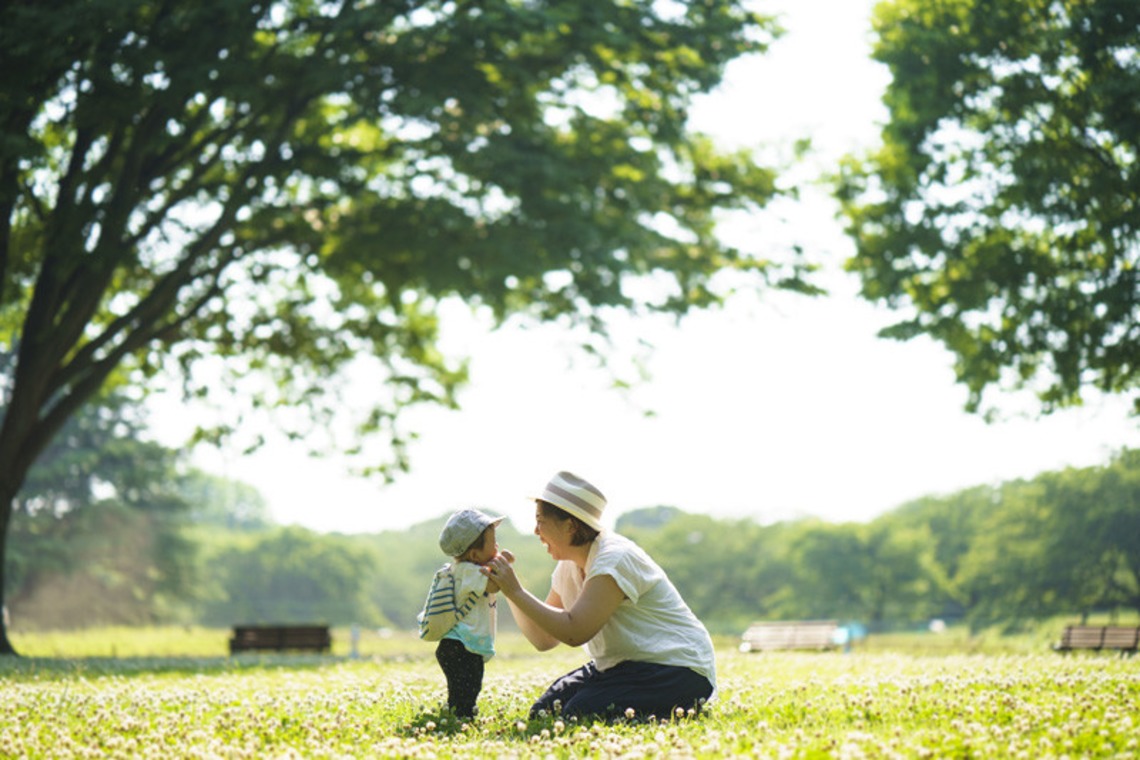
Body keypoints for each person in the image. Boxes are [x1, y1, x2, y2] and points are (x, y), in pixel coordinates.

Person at [482, 471, 716, 721]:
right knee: (544, 712)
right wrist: (507, 589)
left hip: (675, 667)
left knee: (579, 712)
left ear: (570, 526)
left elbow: (576, 631)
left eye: (541, 521)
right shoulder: (568, 565)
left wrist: (514, 589)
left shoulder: (614, 559)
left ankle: (674, 709)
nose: (536, 530)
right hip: (619, 667)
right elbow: (544, 638)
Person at [417, 508, 510, 718]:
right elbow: (495, 586)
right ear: (475, 554)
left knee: (462, 686)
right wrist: (504, 563)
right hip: (462, 647)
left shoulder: (459, 570)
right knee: (469, 685)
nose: (497, 546)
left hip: (454, 645)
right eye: (493, 543)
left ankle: (456, 712)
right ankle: (462, 717)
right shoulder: (470, 572)